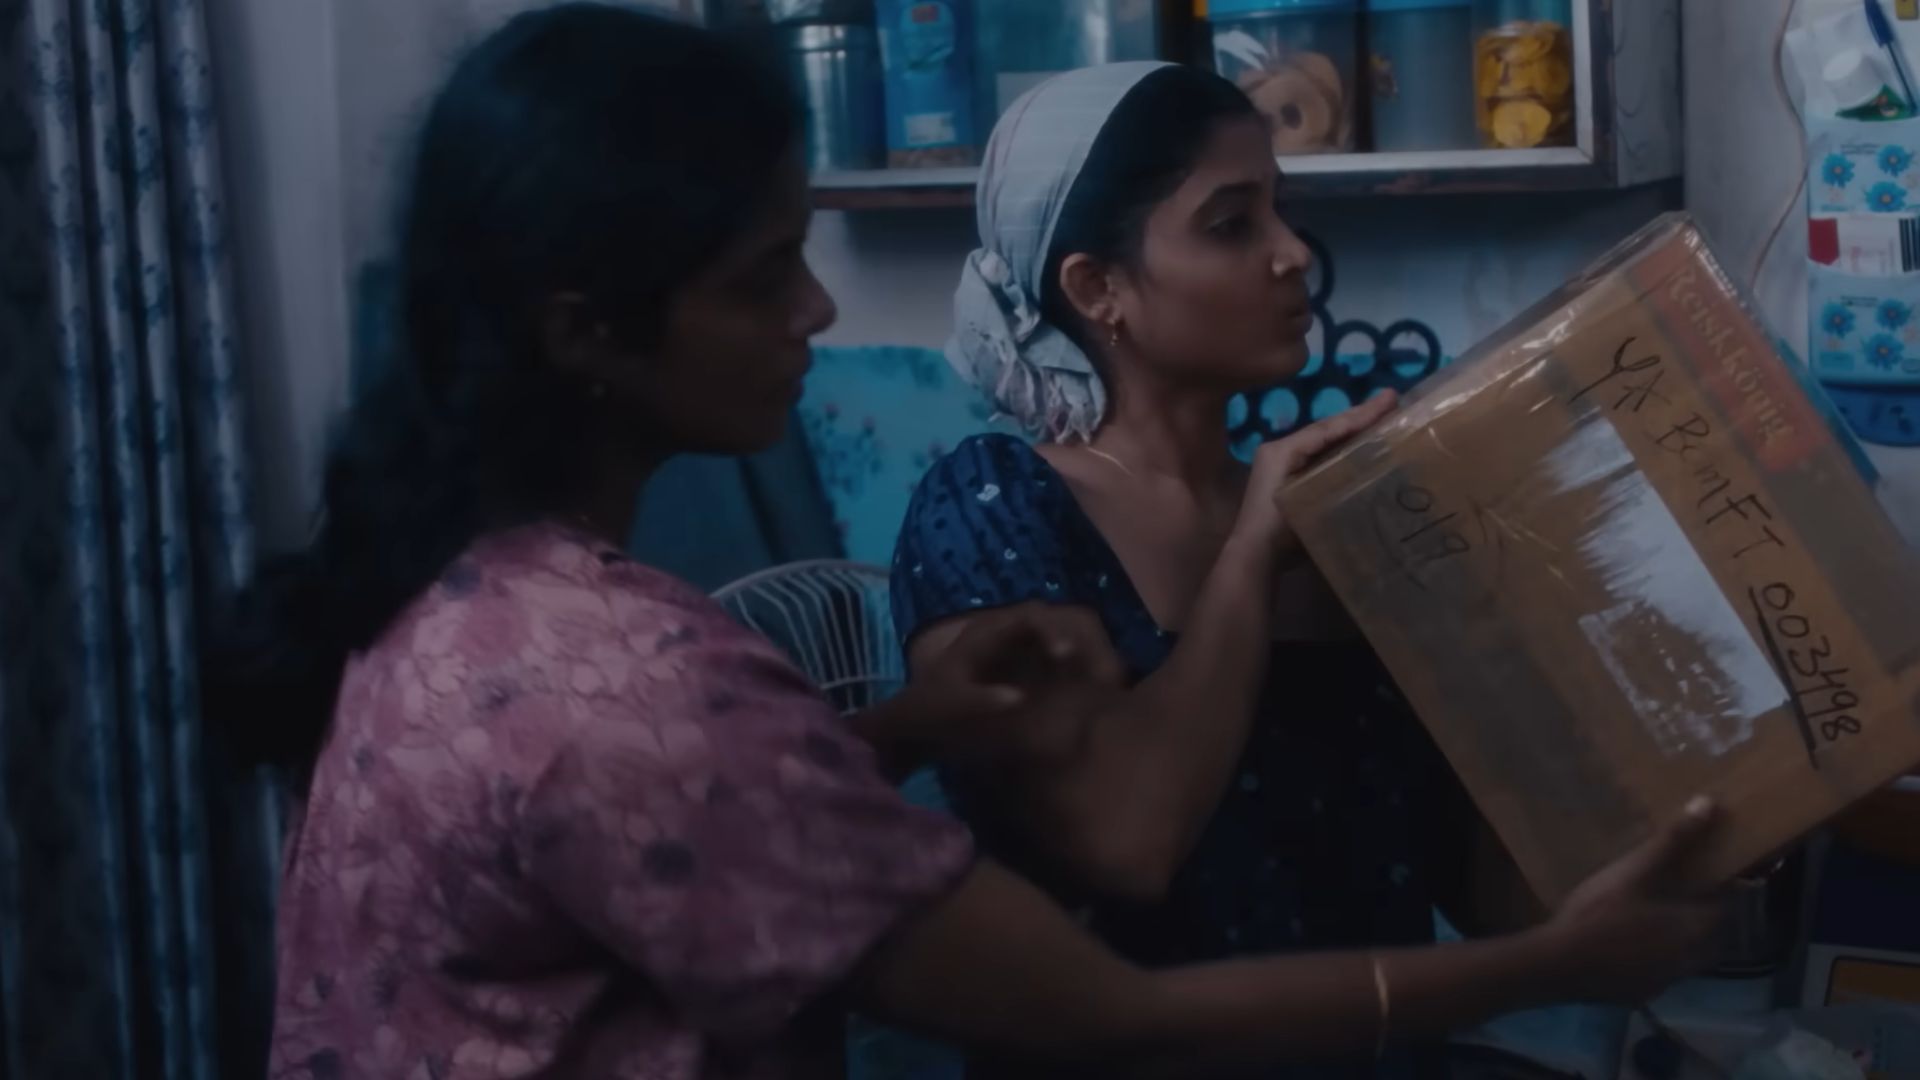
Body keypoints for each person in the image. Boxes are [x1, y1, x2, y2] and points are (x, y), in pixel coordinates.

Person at [206, 11, 1726, 1078]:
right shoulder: (967, 521)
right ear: (1098, 287)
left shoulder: (495, 611)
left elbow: (678, 811)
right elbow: (1111, 993)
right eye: (761, 276)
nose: (815, 310)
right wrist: (1556, 974)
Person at [892, 61, 1728, 1078]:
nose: (1294, 255)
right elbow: (1127, 839)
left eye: (1283, 213)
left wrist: (1681, 803)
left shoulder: (1340, 521)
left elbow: (1476, 891)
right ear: (1095, 288)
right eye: (1231, 224)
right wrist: (1254, 554)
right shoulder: (996, 503)